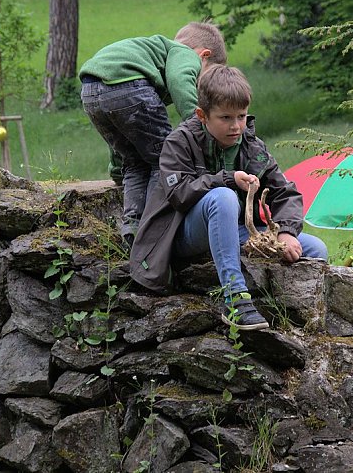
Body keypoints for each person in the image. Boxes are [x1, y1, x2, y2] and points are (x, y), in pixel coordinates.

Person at [130, 65, 328, 330]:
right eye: (225, 118)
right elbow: (179, 195)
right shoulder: (179, 142)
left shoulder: (252, 146)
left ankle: (296, 317)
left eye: (241, 116)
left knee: (315, 248)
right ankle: (235, 299)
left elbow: (285, 192)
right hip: (180, 235)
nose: (236, 126)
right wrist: (226, 178)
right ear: (202, 115)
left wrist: (287, 232)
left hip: (236, 231)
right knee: (223, 197)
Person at [79, 22, 227, 248]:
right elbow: (179, 80)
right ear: (204, 55)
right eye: (204, 78)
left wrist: (118, 168)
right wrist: (199, 123)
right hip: (129, 84)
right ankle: (155, 229)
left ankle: (133, 230)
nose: (202, 86)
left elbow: (124, 132)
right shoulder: (184, 53)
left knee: (135, 162)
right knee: (165, 159)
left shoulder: (156, 56)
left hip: (91, 89)